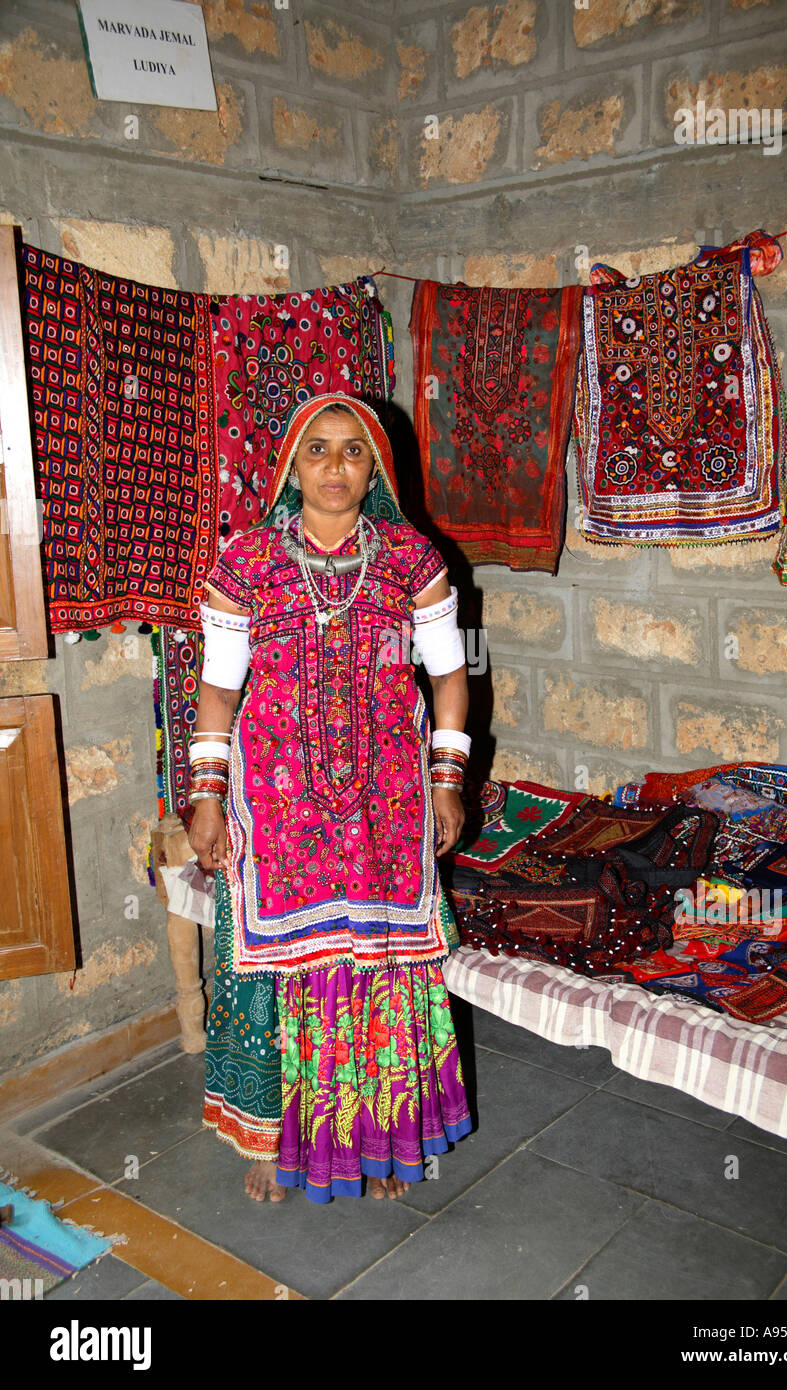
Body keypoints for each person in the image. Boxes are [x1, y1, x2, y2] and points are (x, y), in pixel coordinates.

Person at [189, 392, 473, 1204]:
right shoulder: (245, 561)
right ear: (290, 466)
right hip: (275, 809)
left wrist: (446, 780)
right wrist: (207, 800)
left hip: (386, 803)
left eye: (354, 451)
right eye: (318, 450)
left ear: (374, 467)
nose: (336, 467)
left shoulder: (413, 561)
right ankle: (272, 1142)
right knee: (274, 969)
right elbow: (216, 690)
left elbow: (450, 679)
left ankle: (381, 1143)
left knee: (381, 963)